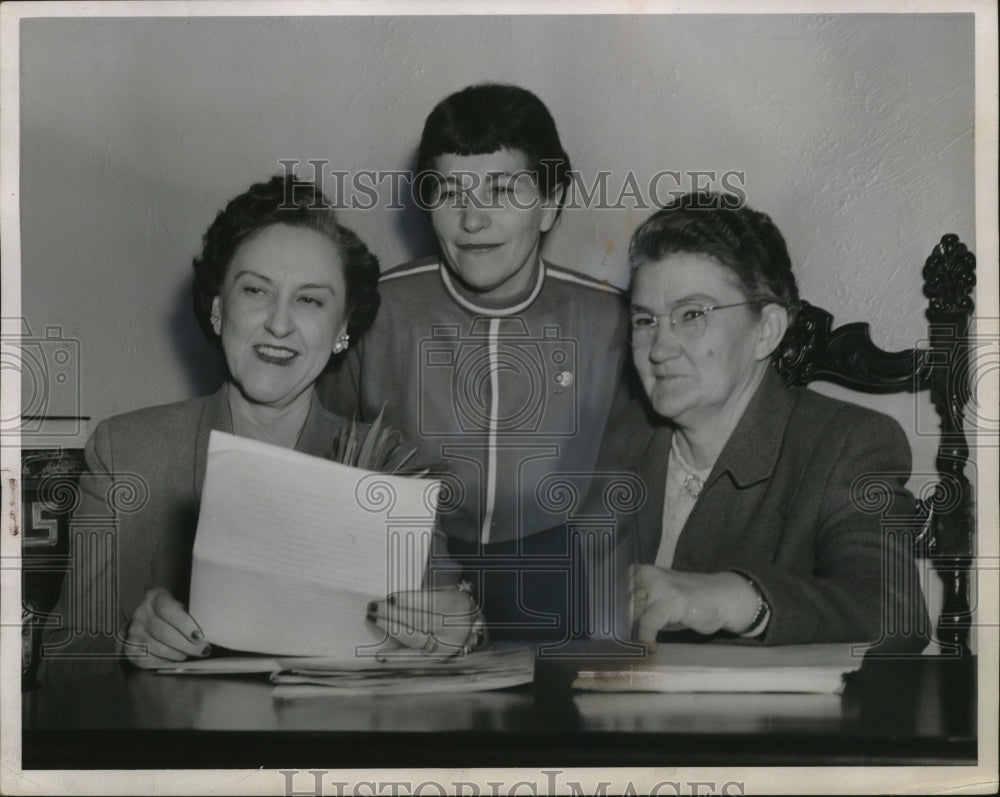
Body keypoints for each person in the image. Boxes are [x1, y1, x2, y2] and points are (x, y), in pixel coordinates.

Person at [38, 175, 478, 684]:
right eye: (255, 291)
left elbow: (458, 637)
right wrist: (127, 645)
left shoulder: (389, 463)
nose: (279, 324)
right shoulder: (125, 453)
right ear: (219, 308)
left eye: (310, 300)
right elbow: (63, 658)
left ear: (342, 330)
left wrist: (462, 630)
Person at [318, 83, 634, 640]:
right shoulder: (375, 312)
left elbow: (633, 487)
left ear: (550, 203)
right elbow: (322, 461)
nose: (471, 219)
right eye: (449, 192)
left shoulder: (610, 322)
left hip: (561, 578)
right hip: (403, 576)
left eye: (503, 191)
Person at [604, 192, 928, 651]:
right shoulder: (616, 438)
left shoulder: (846, 444)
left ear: (767, 330)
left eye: (691, 314)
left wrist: (733, 599)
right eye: (644, 320)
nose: (659, 348)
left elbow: (897, 616)